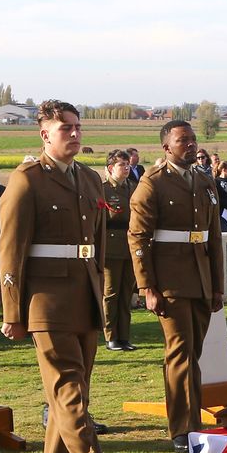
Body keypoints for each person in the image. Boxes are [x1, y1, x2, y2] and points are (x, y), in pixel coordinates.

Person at [0, 99, 133, 453]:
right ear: (44, 135)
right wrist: (12, 312)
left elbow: (95, 243)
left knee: (74, 394)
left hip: (83, 295)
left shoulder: (91, 180)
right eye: (65, 129)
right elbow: (11, 252)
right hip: (46, 300)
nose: (74, 135)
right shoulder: (26, 181)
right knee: (69, 390)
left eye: (77, 127)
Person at [128, 119, 225, 453]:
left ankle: (191, 422)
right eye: (183, 140)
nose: (191, 145)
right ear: (166, 147)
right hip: (169, 281)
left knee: (192, 353)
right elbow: (138, 238)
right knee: (181, 353)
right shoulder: (152, 184)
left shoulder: (205, 181)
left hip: (200, 279)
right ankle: (184, 428)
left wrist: (217, 286)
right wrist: (147, 287)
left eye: (193, 140)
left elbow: (214, 238)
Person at [101, 150, 137, 352]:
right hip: (111, 248)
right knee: (111, 293)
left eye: (127, 164)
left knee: (126, 293)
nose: (126, 167)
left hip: (130, 246)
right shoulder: (103, 190)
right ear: (110, 168)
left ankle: (124, 336)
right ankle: (111, 336)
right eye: (121, 164)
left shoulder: (134, 188)